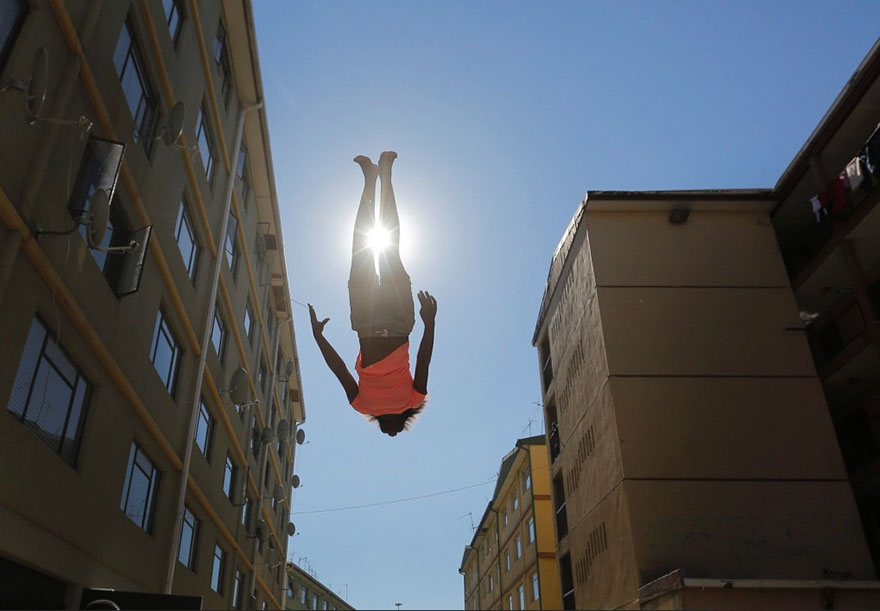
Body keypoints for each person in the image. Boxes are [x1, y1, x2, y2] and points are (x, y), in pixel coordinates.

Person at [309, 151, 436, 437]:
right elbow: (339, 368)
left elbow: (423, 360)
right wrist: (318, 338)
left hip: (388, 322)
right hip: (373, 323)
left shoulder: (406, 401)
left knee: (380, 246)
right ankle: (380, 177)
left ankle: (376, 177)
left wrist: (430, 323)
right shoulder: (367, 405)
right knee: (376, 246)